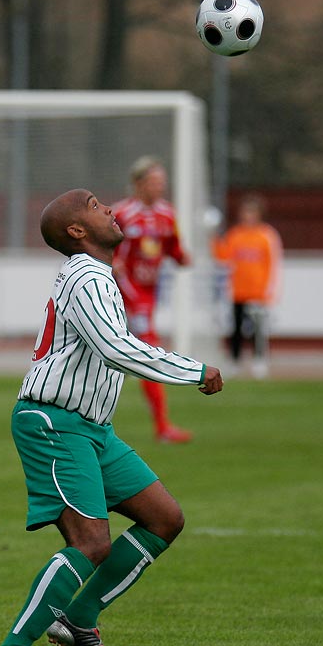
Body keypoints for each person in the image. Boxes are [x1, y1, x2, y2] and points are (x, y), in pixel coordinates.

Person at [0, 188, 223, 646]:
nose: (110, 209)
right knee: (92, 542)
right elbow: (116, 347)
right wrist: (193, 370)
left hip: (91, 428)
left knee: (163, 518)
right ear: (77, 230)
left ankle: (79, 617)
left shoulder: (96, 276)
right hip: (54, 423)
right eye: (95, 205)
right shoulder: (87, 275)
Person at [111, 156, 193, 443]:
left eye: (162, 182)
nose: (160, 187)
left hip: (148, 295)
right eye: (154, 182)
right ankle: (162, 427)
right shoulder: (122, 214)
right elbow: (114, 261)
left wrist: (184, 258)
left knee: (120, 357)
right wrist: (132, 298)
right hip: (124, 295)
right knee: (148, 353)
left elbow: (174, 249)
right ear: (138, 183)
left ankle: (159, 426)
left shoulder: (167, 215)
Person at [212, 194, 283, 379]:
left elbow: (273, 264)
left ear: (259, 214)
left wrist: (268, 291)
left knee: (258, 330)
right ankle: (234, 361)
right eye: (245, 212)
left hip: (258, 292)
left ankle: (259, 360)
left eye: (251, 212)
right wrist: (213, 237)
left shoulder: (267, 235)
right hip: (238, 291)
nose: (247, 216)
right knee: (236, 328)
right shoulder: (236, 234)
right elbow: (223, 256)